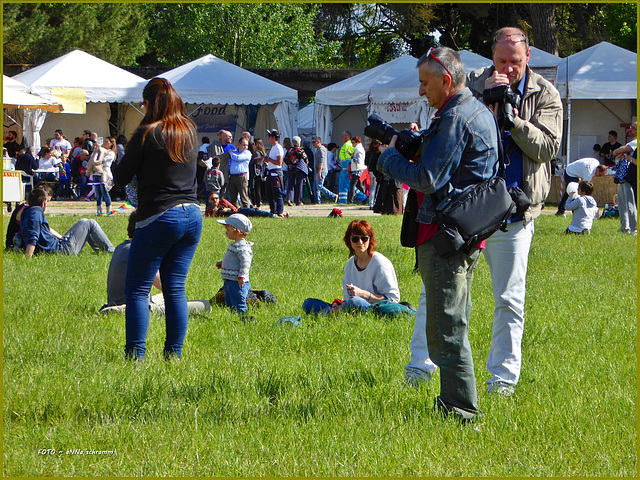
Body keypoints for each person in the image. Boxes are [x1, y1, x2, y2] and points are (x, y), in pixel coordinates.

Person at [378, 47, 500, 421]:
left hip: (445, 234)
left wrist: (390, 157)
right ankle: (456, 404)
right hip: (464, 232)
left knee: (447, 329)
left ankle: (461, 411)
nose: (420, 92)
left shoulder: (454, 119)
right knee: (450, 322)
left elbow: (428, 179)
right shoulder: (477, 110)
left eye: (425, 83)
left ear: (446, 80)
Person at [466, 27, 563, 396]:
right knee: (447, 293)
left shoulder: (546, 93)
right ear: (491, 56)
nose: (507, 68)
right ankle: (426, 371)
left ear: (529, 57)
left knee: (508, 299)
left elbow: (548, 148)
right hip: (471, 208)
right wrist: (484, 102)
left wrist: (513, 121)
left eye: (515, 62)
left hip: (515, 211)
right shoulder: (472, 85)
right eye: (501, 61)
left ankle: (502, 382)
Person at [112, 77, 202, 361]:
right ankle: (173, 355)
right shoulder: (189, 131)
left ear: (150, 103)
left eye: (143, 103)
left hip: (160, 215)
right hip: (193, 214)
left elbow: (121, 177)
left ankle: (135, 356)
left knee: (137, 288)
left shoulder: (147, 132)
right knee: (176, 287)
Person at [101, 210, 211, 314]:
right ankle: (118, 311)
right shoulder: (140, 251)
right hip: (136, 306)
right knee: (204, 305)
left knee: (163, 297)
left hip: (119, 301)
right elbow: (162, 284)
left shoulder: (121, 247)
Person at [302, 219, 400, 315]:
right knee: (308, 303)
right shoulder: (350, 264)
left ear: (370, 240)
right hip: (352, 306)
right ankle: (335, 312)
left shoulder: (380, 263)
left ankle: (331, 314)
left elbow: (393, 299)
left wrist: (363, 294)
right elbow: (347, 299)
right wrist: (341, 306)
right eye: (355, 239)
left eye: (364, 238)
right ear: (350, 241)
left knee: (356, 302)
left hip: (374, 308)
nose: (360, 242)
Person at [17, 188, 114, 257]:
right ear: (43, 203)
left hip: (58, 245)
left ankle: (101, 252)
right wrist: (27, 258)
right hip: (61, 251)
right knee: (90, 223)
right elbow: (32, 237)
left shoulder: (26, 211)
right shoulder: (36, 212)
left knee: (84, 221)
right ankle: (111, 252)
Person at [216, 213, 254, 314]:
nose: (226, 232)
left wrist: (242, 277)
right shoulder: (235, 245)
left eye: (228, 230)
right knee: (228, 298)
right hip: (229, 279)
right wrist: (223, 264)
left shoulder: (242, 247)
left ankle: (242, 315)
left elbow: (245, 263)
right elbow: (233, 261)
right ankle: (231, 313)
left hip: (237, 281)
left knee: (238, 299)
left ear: (237, 231)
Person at [5, 183, 54, 250]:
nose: (46, 204)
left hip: (14, 243)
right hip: (17, 244)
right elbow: (35, 231)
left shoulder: (25, 208)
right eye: (47, 201)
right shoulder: (31, 211)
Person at [612, 121, 637, 235]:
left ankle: (633, 228)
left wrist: (620, 151)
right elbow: (615, 153)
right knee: (622, 203)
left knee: (630, 203)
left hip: (631, 176)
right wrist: (619, 152)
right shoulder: (631, 143)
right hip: (622, 176)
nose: (630, 129)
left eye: (633, 128)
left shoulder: (636, 143)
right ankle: (624, 227)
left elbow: (618, 151)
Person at [205, 191, 280, 218]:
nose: (215, 200)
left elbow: (235, 209)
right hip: (233, 218)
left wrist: (226, 210)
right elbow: (208, 219)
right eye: (212, 199)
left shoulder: (223, 202)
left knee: (255, 212)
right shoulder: (209, 209)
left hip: (239, 212)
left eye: (216, 198)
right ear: (209, 200)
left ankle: (273, 215)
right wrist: (214, 214)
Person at [85, 140, 112, 216]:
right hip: (95, 173)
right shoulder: (97, 151)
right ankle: (99, 212)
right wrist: (95, 151)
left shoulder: (109, 152)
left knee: (105, 192)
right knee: (98, 193)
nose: (105, 143)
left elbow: (100, 161)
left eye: (107, 142)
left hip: (103, 174)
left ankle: (108, 211)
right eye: (105, 141)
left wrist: (99, 151)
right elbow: (92, 161)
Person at [312, 137, 338, 203]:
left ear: (318, 142)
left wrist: (319, 172)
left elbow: (322, 161)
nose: (313, 144)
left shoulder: (321, 150)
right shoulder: (318, 150)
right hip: (317, 171)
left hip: (321, 171)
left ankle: (333, 195)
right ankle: (317, 201)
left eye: (314, 142)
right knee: (316, 187)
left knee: (319, 186)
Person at [285, 136, 309, 206]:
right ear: (299, 143)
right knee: (299, 185)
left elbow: (285, 159)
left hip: (290, 169)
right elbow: (306, 160)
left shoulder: (290, 150)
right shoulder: (301, 151)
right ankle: (298, 201)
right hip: (298, 170)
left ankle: (289, 199)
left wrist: (290, 164)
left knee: (290, 185)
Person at [265, 129, 285, 216]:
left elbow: (279, 162)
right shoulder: (273, 148)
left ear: (273, 137)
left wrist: (269, 160)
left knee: (277, 194)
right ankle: (273, 211)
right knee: (270, 194)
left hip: (276, 174)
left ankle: (279, 212)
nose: (268, 138)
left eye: (269, 136)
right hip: (270, 173)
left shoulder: (278, 148)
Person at [228, 137, 252, 208]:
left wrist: (231, 153)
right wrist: (232, 153)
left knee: (244, 196)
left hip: (242, 177)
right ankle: (235, 212)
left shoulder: (247, 153)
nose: (245, 147)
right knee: (233, 197)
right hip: (232, 177)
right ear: (239, 144)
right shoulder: (234, 152)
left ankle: (247, 211)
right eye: (243, 145)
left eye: (247, 145)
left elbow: (238, 158)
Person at [348, 136, 367, 204]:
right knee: (359, 185)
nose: (352, 144)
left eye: (353, 142)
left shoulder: (358, 150)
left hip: (357, 169)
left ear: (357, 142)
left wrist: (352, 156)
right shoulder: (358, 149)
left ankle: (350, 200)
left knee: (352, 185)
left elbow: (358, 160)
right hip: (358, 168)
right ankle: (364, 199)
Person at [337, 131, 354, 204]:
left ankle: (362, 197)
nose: (341, 138)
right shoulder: (345, 146)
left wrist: (348, 170)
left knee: (347, 185)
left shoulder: (348, 146)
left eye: (342, 136)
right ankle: (342, 201)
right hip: (344, 169)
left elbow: (349, 160)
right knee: (344, 185)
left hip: (345, 170)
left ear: (346, 137)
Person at [249, 138, 267, 207]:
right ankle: (258, 204)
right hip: (260, 173)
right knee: (258, 189)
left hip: (255, 173)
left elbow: (257, 163)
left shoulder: (257, 153)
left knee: (254, 189)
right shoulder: (263, 153)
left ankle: (256, 204)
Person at [364, 140, 381, 209]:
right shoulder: (378, 153)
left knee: (371, 188)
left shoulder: (368, 153)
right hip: (376, 172)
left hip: (370, 171)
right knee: (376, 188)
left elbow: (366, 162)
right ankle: (374, 203)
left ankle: (371, 203)